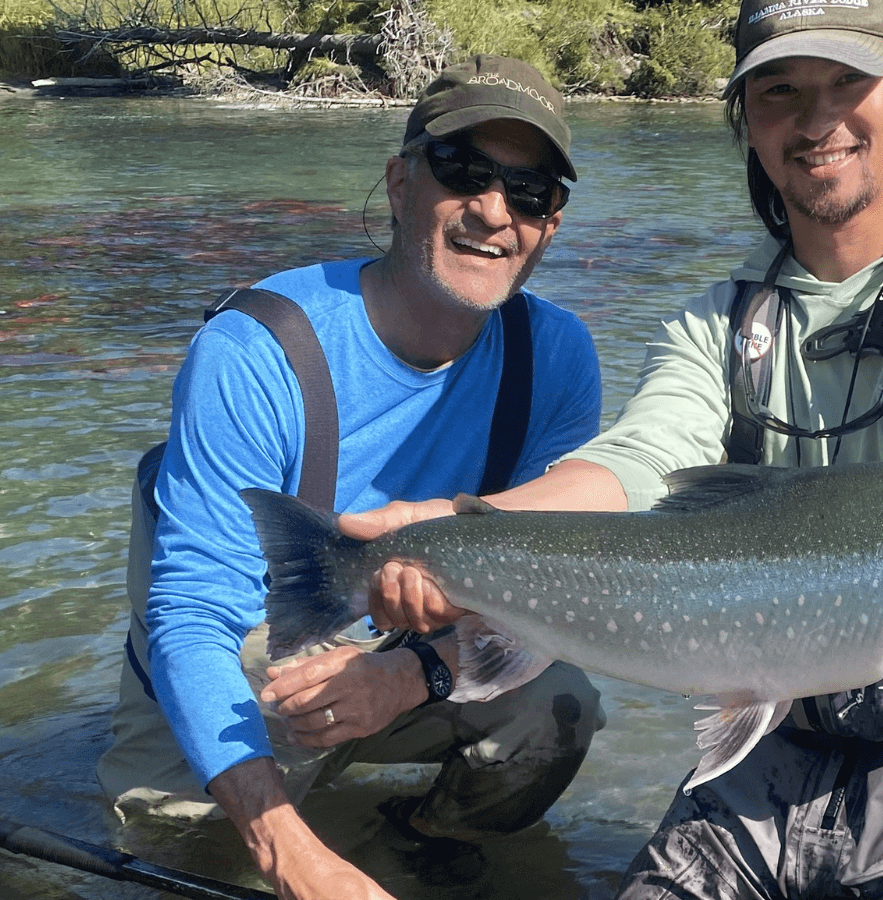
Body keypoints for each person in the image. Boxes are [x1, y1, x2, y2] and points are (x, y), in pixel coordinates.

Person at [343, 0, 883, 894]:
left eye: (849, 83)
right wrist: (459, 527)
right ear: (747, 122)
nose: (815, 122)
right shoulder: (714, 325)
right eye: (779, 92)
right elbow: (635, 461)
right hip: (765, 744)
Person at [95, 55, 606, 900]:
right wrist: (294, 860)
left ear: (550, 224)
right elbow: (192, 615)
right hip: (246, 636)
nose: (492, 211)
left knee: (557, 702)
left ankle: (419, 842)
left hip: (414, 645)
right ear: (400, 183)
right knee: (178, 847)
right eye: (464, 172)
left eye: (530, 191)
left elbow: (547, 593)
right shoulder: (256, 349)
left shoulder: (557, 357)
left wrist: (411, 674)